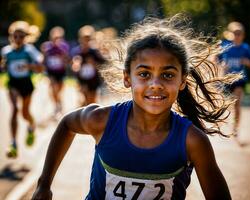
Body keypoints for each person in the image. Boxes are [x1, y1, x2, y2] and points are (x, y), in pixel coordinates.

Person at [32, 16, 235, 199]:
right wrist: (44, 184)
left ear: (182, 81)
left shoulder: (193, 141)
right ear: (127, 78)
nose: (155, 84)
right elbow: (67, 124)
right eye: (145, 74)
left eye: (168, 74)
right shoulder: (102, 121)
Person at [1, 21, 44, 158]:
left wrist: (28, 66)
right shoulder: (6, 52)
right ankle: (13, 143)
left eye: (21, 36)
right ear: (11, 37)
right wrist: (4, 67)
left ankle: (31, 126)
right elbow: (4, 66)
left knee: (25, 114)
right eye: (15, 36)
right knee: (14, 110)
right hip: (13, 83)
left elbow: (40, 68)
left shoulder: (29, 50)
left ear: (26, 37)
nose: (18, 39)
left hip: (26, 84)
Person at [218, 21, 250, 138]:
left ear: (243, 35)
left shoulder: (246, 48)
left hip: (240, 79)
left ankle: (235, 128)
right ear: (231, 34)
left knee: (237, 103)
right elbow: (216, 58)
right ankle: (228, 121)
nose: (237, 35)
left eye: (240, 33)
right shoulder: (226, 46)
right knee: (227, 104)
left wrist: (247, 62)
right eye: (235, 33)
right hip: (227, 79)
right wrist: (222, 64)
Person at [71, 25, 106, 106]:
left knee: (92, 100)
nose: (86, 41)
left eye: (88, 39)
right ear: (80, 39)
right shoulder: (77, 52)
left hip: (93, 79)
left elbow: (103, 64)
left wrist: (94, 64)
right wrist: (76, 66)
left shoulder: (94, 52)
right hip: (82, 79)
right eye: (84, 39)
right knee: (85, 96)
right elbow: (74, 64)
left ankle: (90, 112)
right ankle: (84, 110)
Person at [41, 26, 70, 115]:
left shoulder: (64, 46)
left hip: (61, 71)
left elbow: (67, 59)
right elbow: (43, 59)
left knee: (59, 90)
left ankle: (58, 102)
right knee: (54, 88)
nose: (56, 40)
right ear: (50, 37)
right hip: (51, 71)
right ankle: (57, 105)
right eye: (54, 38)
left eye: (58, 38)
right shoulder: (46, 46)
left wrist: (62, 57)